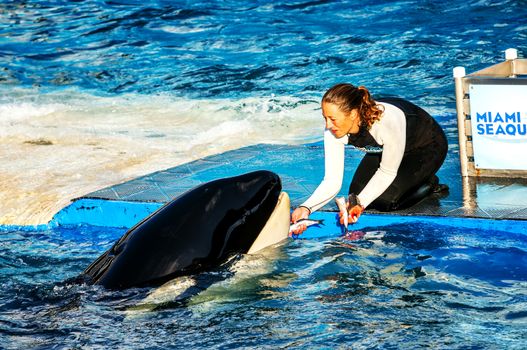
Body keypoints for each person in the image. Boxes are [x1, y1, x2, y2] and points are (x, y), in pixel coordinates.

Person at [290, 83, 448, 235]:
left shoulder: (386, 122)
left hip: (426, 147)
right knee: (356, 196)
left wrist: (361, 203)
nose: (328, 125)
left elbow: (386, 172)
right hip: (387, 149)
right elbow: (332, 181)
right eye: (325, 118)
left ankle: (428, 184)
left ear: (352, 114)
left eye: (332, 119)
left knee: (385, 201)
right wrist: (306, 208)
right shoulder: (333, 129)